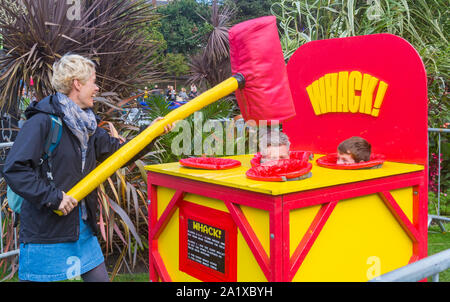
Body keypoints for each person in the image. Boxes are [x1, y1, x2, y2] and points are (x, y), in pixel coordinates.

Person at [2, 53, 174, 282]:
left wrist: (151, 132)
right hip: (46, 234)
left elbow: (119, 154)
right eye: (93, 81)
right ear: (77, 83)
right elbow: (15, 169)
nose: (97, 88)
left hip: (81, 229)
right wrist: (54, 198)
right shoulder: (43, 121)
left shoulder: (88, 125)